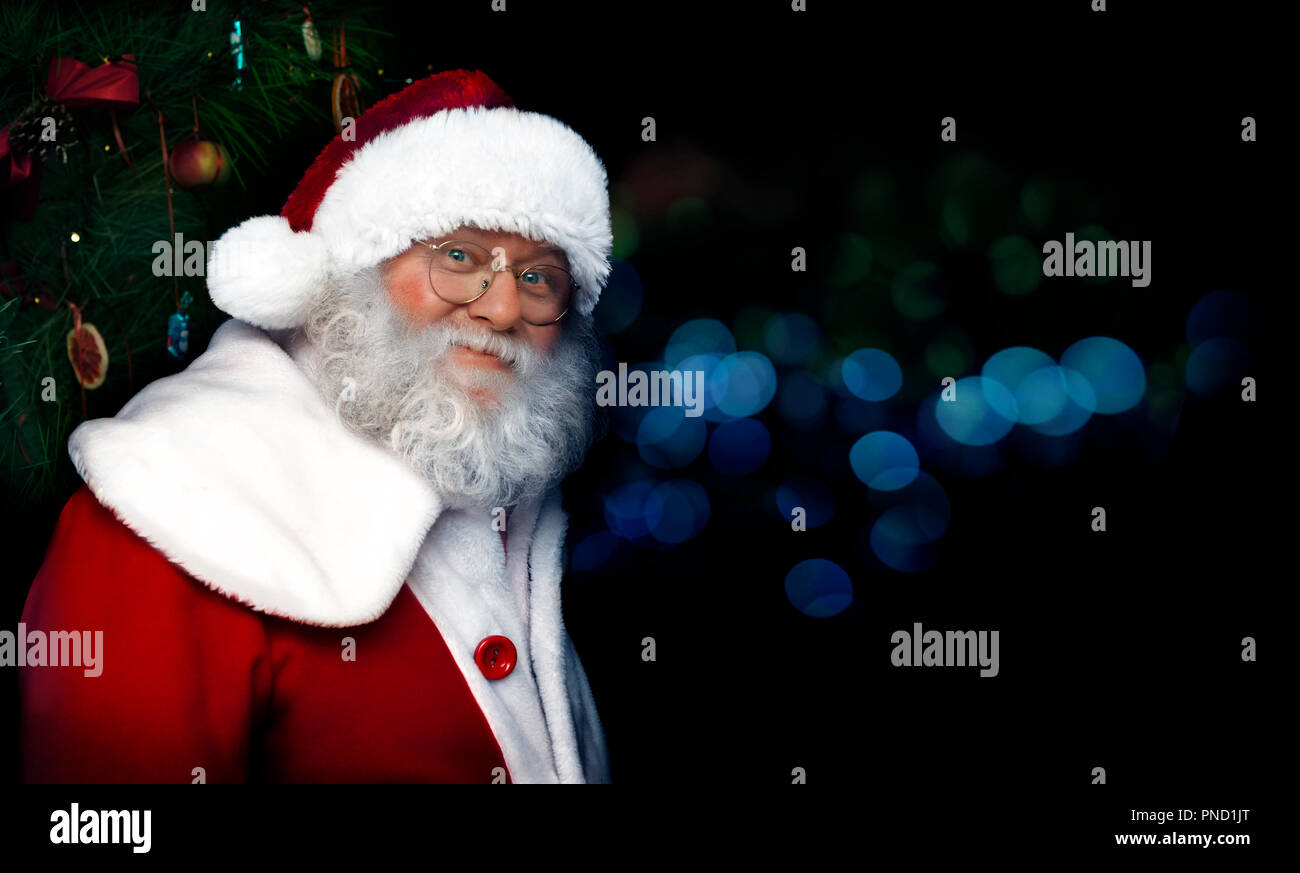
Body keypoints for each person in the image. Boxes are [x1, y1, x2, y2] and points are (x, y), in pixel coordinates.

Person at [18, 69, 613, 783]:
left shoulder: (514, 516)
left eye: (540, 276)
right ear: (353, 272)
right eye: (458, 257)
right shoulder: (165, 492)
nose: (503, 309)